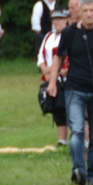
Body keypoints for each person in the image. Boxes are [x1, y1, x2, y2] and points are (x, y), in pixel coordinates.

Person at [46, 0, 93, 185]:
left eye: (91, 11)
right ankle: (78, 169)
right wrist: (52, 82)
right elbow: (58, 58)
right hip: (75, 88)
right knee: (77, 130)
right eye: (84, 11)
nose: (88, 14)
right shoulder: (69, 33)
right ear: (79, 12)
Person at [37, 8, 70, 146]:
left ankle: (83, 140)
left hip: (65, 77)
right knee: (58, 108)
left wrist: (53, 70)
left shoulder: (69, 35)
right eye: (55, 19)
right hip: (51, 78)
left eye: (60, 19)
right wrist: (45, 69)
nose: (57, 22)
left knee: (71, 108)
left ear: (66, 20)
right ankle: (61, 140)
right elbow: (40, 56)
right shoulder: (49, 36)